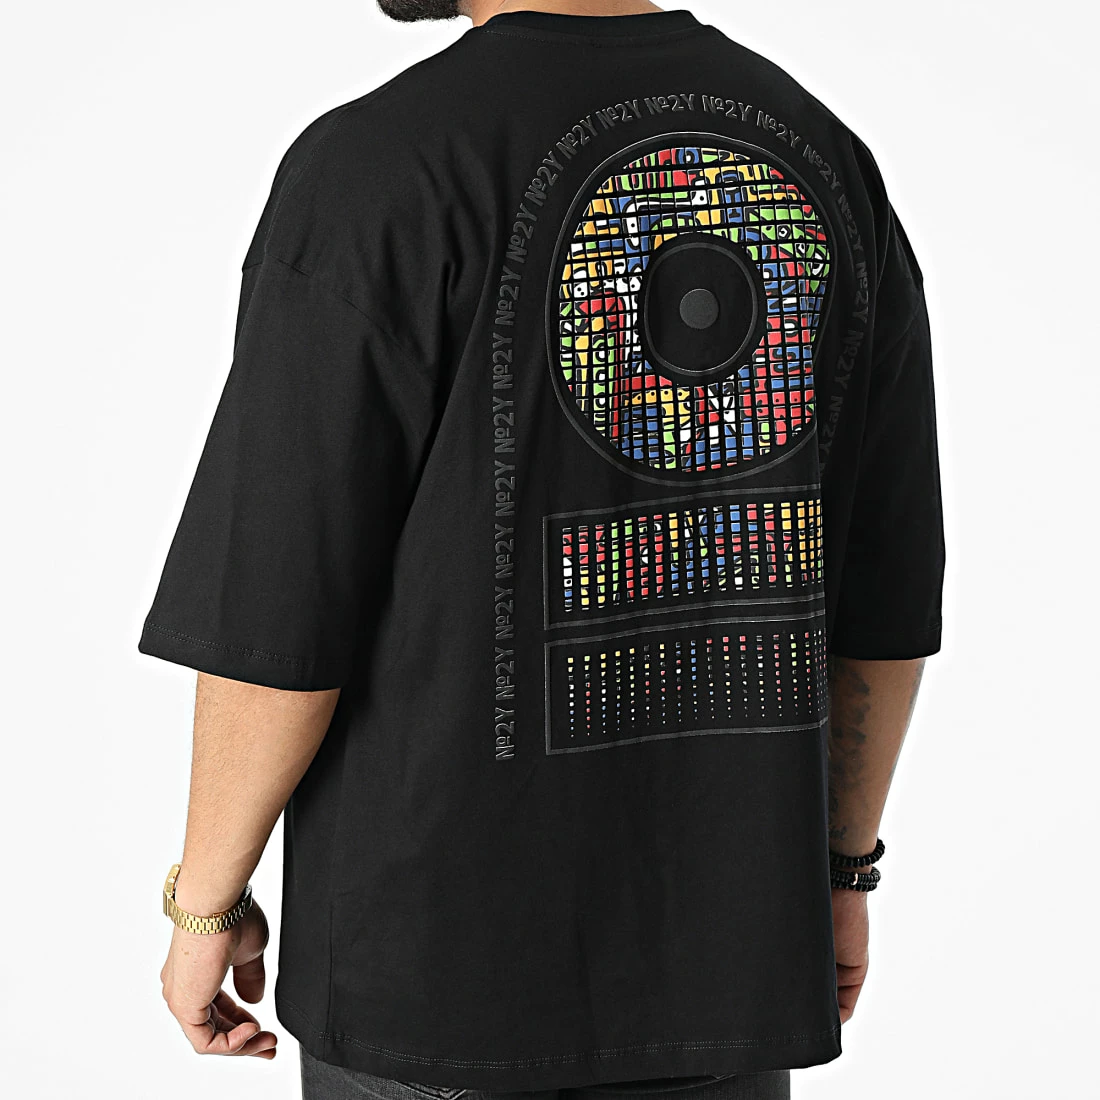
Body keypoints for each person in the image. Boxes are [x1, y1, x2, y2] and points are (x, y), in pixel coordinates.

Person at [141, 2, 946, 1098]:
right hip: (725, 970)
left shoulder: (379, 163)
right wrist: (843, 870)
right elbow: (882, 591)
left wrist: (204, 903)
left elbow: (277, 612)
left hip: (433, 978)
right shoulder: (819, 156)